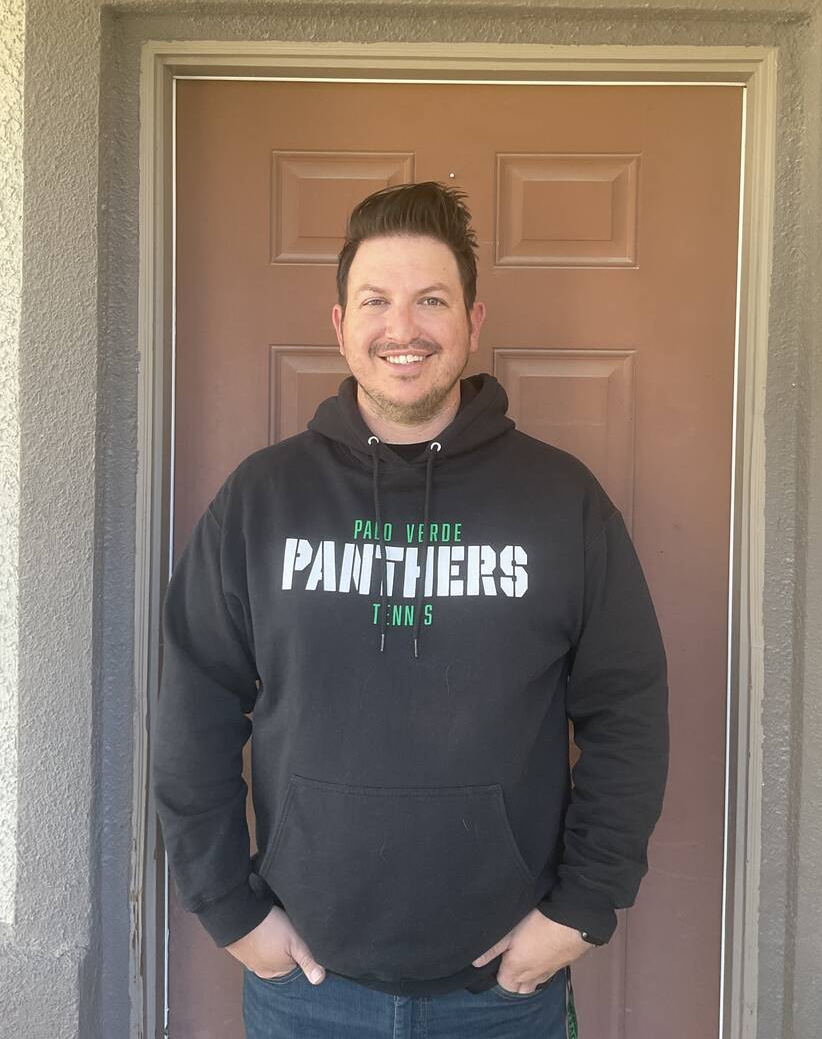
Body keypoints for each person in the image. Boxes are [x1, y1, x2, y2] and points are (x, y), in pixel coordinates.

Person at [151, 181, 670, 1039]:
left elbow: (629, 708)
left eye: (431, 300)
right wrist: (228, 910)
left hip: (501, 991)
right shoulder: (262, 500)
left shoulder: (561, 501)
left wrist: (582, 908)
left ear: (472, 321)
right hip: (306, 986)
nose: (403, 328)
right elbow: (193, 709)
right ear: (339, 324)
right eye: (375, 301)